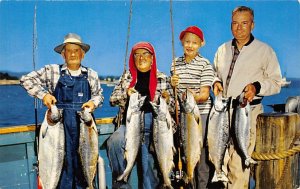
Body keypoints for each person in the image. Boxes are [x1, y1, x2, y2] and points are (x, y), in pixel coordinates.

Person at [20, 33, 104, 188]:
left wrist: (93, 103)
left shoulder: (91, 74)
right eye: (68, 50)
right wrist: (43, 94)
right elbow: (26, 79)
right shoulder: (52, 71)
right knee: (60, 171)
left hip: (83, 131)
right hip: (58, 131)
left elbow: (99, 95)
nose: (72, 54)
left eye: (76, 50)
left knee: (83, 171)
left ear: (82, 54)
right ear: (63, 54)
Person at [213, 6, 282, 189]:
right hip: (223, 113)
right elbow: (214, 74)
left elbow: (276, 83)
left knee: (238, 166)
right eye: (235, 23)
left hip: (246, 112)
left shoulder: (265, 51)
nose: (239, 28)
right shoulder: (222, 49)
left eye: (244, 23)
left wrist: (256, 87)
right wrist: (215, 82)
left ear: (252, 25)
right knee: (220, 162)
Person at [107, 41, 174, 189]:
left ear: (152, 58)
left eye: (145, 54)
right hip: (130, 124)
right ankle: (121, 183)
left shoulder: (162, 78)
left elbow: (174, 109)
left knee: (149, 164)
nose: (141, 58)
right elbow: (112, 99)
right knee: (115, 141)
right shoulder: (128, 77)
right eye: (137, 55)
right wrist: (126, 93)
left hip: (155, 125)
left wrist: (167, 100)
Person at [170, 26, 215, 189]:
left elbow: (204, 95)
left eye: (194, 42)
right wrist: (172, 85)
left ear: (201, 44)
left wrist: (189, 98)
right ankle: (190, 183)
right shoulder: (175, 63)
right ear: (182, 42)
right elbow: (172, 92)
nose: (190, 45)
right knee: (186, 155)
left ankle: (202, 186)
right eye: (187, 42)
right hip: (183, 115)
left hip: (200, 115)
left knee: (201, 155)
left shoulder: (205, 64)